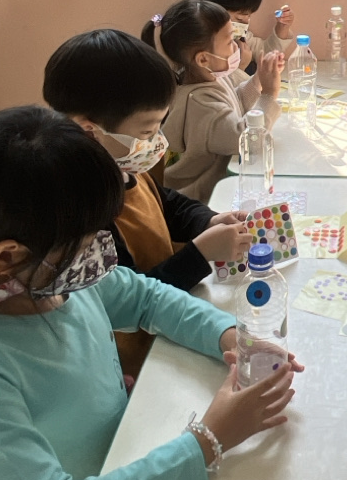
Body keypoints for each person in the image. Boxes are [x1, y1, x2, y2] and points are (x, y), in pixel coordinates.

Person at [0, 106, 301, 480]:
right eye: (85, 242)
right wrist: (209, 440)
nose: (100, 251)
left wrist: (229, 337)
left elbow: (146, 298)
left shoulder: (53, 277)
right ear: (8, 256)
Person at [43, 29, 253, 375]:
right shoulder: (85, 212)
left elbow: (166, 203)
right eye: (146, 132)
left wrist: (207, 221)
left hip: (175, 321)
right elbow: (133, 297)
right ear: (89, 130)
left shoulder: (121, 165)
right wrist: (200, 254)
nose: (157, 141)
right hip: (139, 354)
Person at [143, 0, 283, 204]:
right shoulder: (201, 105)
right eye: (229, 41)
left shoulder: (210, 76)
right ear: (203, 59)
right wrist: (269, 95)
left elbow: (235, 102)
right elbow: (247, 141)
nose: (236, 45)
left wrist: (258, 80)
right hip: (202, 200)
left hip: (218, 188)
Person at [194, 0, 295, 71]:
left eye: (249, 16)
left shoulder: (240, 37)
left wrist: (282, 28)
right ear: (213, 11)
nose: (246, 23)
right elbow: (219, 81)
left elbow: (264, 54)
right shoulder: (201, 46)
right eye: (240, 18)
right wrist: (241, 67)